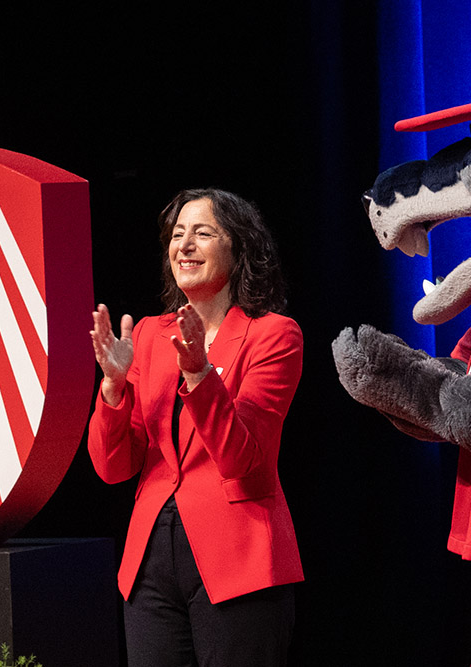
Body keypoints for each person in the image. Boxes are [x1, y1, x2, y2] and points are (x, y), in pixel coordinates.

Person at [88, 188, 304, 666]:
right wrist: (114, 389)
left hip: (238, 559)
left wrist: (200, 376)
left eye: (203, 233)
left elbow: (242, 460)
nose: (184, 245)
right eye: (177, 234)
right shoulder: (147, 334)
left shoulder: (274, 335)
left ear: (238, 246)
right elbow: (113, 467)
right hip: (150, 563)